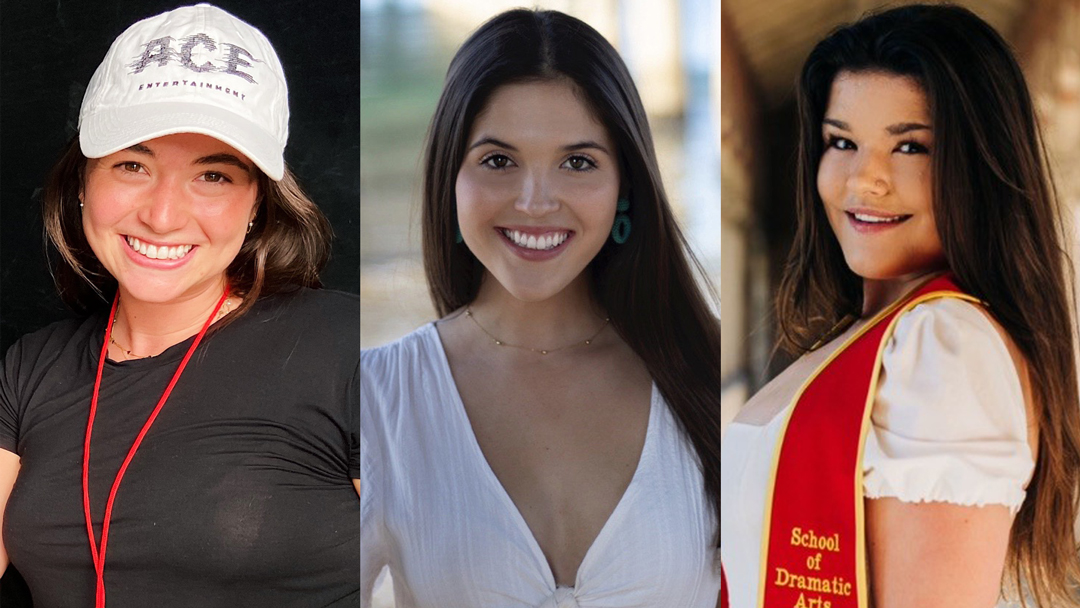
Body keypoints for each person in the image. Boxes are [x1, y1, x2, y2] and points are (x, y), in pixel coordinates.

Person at [359, 8, 723, 608]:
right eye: (498, 161)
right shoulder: (376, 398)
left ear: (624, 186)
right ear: (450, 177)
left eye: (577, 162)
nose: (534, 202)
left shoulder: (708, 369)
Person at [719, 5, 1080, 608]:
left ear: (980, 164)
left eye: (910, 147)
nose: (865, 180)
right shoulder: (882, 335)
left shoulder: (943, 343)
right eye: (842, 142)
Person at [0, 4, 360, 607]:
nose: (162, 216)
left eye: (213, 176)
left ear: (257, 204)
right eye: (132, 165)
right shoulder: (30, 370)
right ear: (83, 182)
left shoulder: (355, 349)